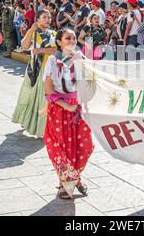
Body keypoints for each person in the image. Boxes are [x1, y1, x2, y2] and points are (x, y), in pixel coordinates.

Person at [43, 29, 94, 199]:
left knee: (84, 146)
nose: (72, 40)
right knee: (63, 148)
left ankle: (74, 178)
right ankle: (66, 184)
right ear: (59, 42)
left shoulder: (81, 59)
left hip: (79, 109)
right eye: (67, 38)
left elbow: (92, 83)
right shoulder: (52, 61)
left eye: (73, 38)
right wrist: (67, 106)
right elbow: (49, 91)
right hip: (60, 110)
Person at [12, 10, 56, 138]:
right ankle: (28, 121)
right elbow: (24, 47)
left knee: (43, 98)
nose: (47, 19)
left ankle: (42, 127)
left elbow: (56, 50)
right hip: (35, 68)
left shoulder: (53, 33)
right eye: (44, 17)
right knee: (31, 94)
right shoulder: (34, 32)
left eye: (49, 17)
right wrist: (31, 30)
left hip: (48, 69)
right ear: (38, 19)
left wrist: (41, 50)